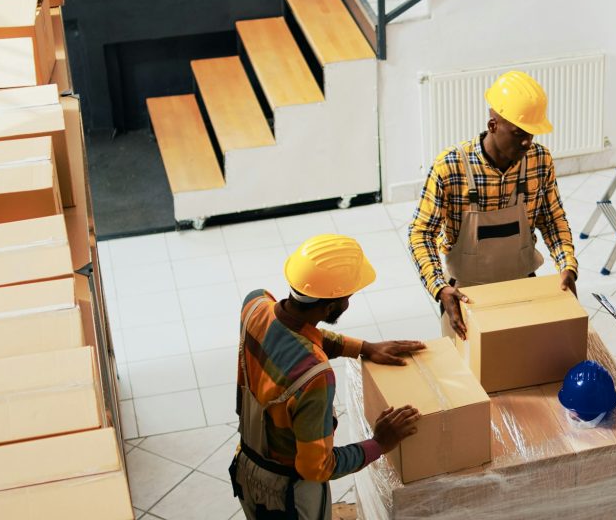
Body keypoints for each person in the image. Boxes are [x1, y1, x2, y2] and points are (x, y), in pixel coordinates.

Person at [231, 234, 425, 520]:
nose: (349, 301)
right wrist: (380, 443)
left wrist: (363, 348)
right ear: (333, 305)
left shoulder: (255, 304)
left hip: (246, 467)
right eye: (347, 296)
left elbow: (293, 333)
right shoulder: (315, 377)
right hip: (288, 497)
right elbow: (316, 467)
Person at [408, 70, 579, 339]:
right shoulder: (449, 167)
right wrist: (440, 288)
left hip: (522, 287)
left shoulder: (539, 160)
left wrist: (567, 265)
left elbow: (552, 219)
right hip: (465, 296)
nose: (527, 142)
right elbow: (420, 234)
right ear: (493, 125)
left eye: (532, 134)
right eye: (519, 133)